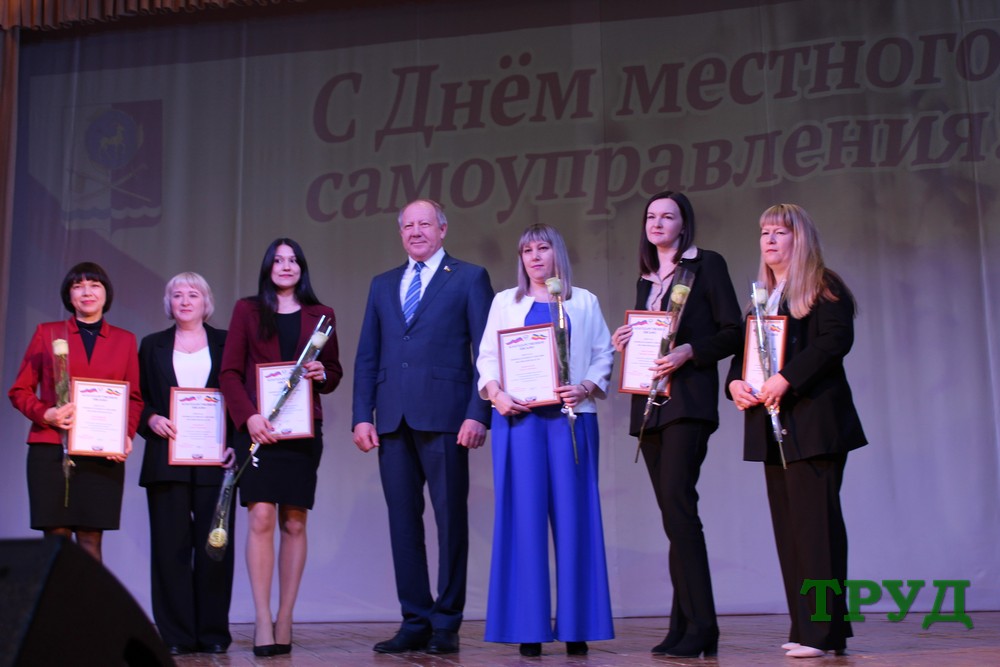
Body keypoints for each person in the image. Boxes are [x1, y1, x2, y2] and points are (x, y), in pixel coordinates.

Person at [352, 199, 493, 655]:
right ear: (401, 233)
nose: (415, 231)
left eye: (424, 224)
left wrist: (478, 412)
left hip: (448, 418)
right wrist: (362, 414)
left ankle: (446, 623)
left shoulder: (469, 278)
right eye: (408, 225)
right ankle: (414, 619)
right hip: (392, 419)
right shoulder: (382, 284)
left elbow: (487, 353)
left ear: (442, 229)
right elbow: (367, 355)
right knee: (402, 523)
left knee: (451, 521)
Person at [727, 204, 867, 659]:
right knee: (791, 533)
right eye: (764, 232)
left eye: (779, 232)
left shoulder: (823, 285)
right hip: (774, 428)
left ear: (799, 238)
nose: (769, 240)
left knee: (817, 531)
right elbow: (744, 355)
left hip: (814, 424)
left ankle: (823, 632)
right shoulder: (763, 297)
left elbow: (834, 342)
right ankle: (808, 626)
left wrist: (786, 379)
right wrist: (735, 385)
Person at [612, 191, 741, 658]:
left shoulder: (707, 265)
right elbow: (650, 339)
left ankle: (703, 625)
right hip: (650, 406)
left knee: (680, 509)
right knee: (674, 515)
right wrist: (625, 340)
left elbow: (733, 331)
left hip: (688, 402)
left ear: (684, 224)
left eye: (667, 216)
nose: (657, 223)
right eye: (651, 216)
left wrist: (691, 351)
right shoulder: (646, 278)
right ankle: (683, 624)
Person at [477, 223, 615, 657]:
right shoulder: (505, 302)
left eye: (542, 248)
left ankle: (578, 625)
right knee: (523, 520)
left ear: (558, 254)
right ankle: (528, 626)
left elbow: (604, 353)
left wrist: (586, 387)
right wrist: (496, 394)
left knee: (577, 519)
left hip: (572, 421)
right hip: (519, 423)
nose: (535, 257)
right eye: (527, 251)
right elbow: (487, 357)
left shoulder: (584, 300)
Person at [219, 239, 343, 657]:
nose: (286, 266)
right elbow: (229, 373)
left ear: (302, 268)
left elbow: (334, 372)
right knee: (260, 517)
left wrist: (322, 372)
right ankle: (261, 618)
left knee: (294, 522)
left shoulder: (322, 314)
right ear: (268, 267)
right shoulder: (247, 310)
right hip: (258, 428)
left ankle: (286, 616)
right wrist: (249, 417)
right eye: (278, 260)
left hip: (303, 432)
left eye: (293, 260)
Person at [8, 262, 143, 563]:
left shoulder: (125, 340)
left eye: (94, 285)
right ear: (69, 295)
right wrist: (46, 414)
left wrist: (125, 435)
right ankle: (55, 598)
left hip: (101, 452)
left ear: (106, 293)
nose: (86, 292)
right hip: (51, 449)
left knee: (91, 540)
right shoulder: (47, 333)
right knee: (56, 541)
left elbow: (134, 398)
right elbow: (19, 391)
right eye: (78, 286)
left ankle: (89, 598)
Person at [137, 272, 236, 655]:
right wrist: (150, 419)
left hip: (216, 458)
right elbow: (138, 397)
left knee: (214, 549)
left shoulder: (227, 342)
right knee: (170, 550)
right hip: (166, 459)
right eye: (177, 295)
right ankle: (176, 635)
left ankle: (212, 632)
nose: (184, 300)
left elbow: (241, 396)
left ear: (206, 302)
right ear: (169, 303)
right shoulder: (152, 345)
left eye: (193, 294)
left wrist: (236, 446)